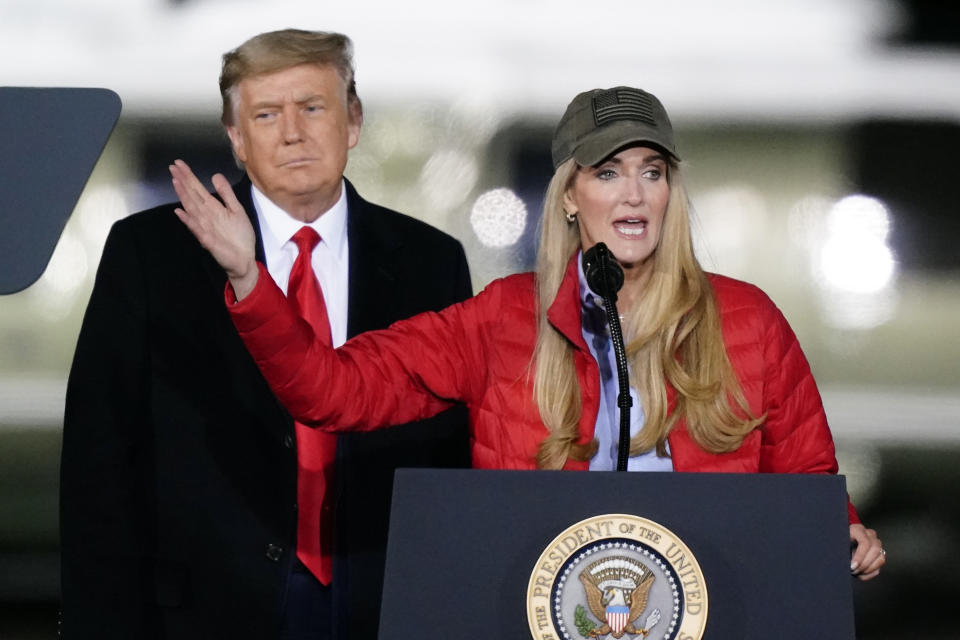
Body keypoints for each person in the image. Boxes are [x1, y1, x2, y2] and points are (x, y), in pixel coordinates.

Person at [172, 85, 885, 581]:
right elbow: (334, 391)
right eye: (608, 173)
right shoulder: (501, 320)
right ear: (572, 197)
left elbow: (808, 482)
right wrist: (248, 279)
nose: (634, 193)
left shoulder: (750, 321)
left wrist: (844, 531)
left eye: (652, 171)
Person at [60, 29, 472, 640]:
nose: (292, 132)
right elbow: (100, 459)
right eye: (265, 113)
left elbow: (452, 459)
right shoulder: (151, 255)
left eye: (312, 107)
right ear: (236, 139)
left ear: (352, 121)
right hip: (202, 612)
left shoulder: (430, 262)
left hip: (379, 604)